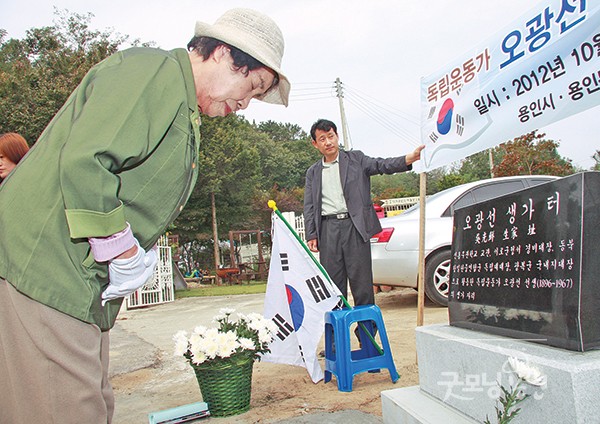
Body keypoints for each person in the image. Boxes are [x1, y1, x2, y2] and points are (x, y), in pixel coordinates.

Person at [0, 8, 289, 424]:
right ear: (224, 54)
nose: (246, 103)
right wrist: (119, 248)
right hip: (45, 268)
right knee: (68, 408)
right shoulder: (154, 72)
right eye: (253, 85)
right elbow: (87, 161)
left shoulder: (181, 106)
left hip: (73, 281)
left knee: (92, 403)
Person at [303, 119, 424, 309]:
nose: (328, 142)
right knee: (333, 288)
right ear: (315, 144)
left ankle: (366, 336)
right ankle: (336, 335)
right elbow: (309, 205)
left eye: (331, 136)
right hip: (328, 230)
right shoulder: (313, 172)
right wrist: (311, 234)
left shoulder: (356, 160)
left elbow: (381, 165)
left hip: (355, 227)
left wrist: (409, 158)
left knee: (362, 286)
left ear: (337, 136)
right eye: (322, 139)